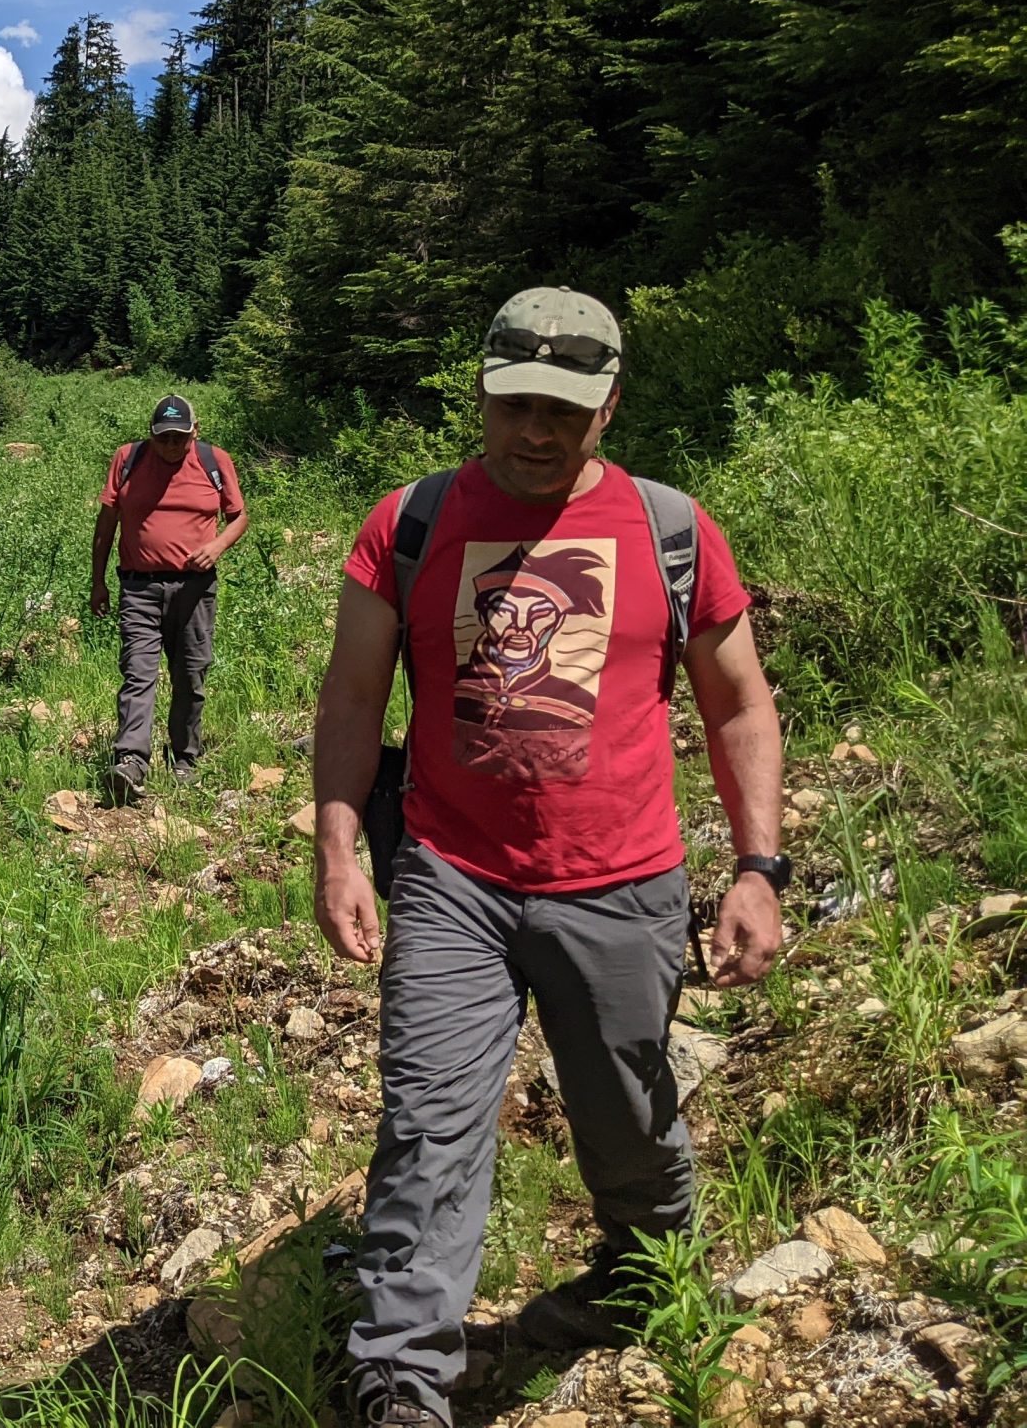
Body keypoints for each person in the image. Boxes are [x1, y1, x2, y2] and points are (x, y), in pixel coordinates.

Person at [310, 288, 787, 1428]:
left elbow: (738, 708)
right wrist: (337, 841)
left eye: (563, 411)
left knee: (627, 1120)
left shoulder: (671, 530)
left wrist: (758, 866)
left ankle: (643, 1283)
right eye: (514, 404)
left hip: (622, 883)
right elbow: (351, 696)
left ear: (608, 408)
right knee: (427, 1126)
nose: (535, 430)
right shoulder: (410, 523)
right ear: (479, 392)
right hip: (449, 878)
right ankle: (401, 1380)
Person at [89, 394, 248, 802]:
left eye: (179, 438)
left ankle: (184, 756)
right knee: (138, 673)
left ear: (195, 432)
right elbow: (106, 522)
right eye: (164, 439)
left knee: (190, 674)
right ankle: (131, 761)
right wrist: (98, 580)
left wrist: (217, 546)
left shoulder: (214, 461)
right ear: (151, 435)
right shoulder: (129, 459)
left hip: (195, 588)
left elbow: (238, 516)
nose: (172, 447)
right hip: (139, 586)